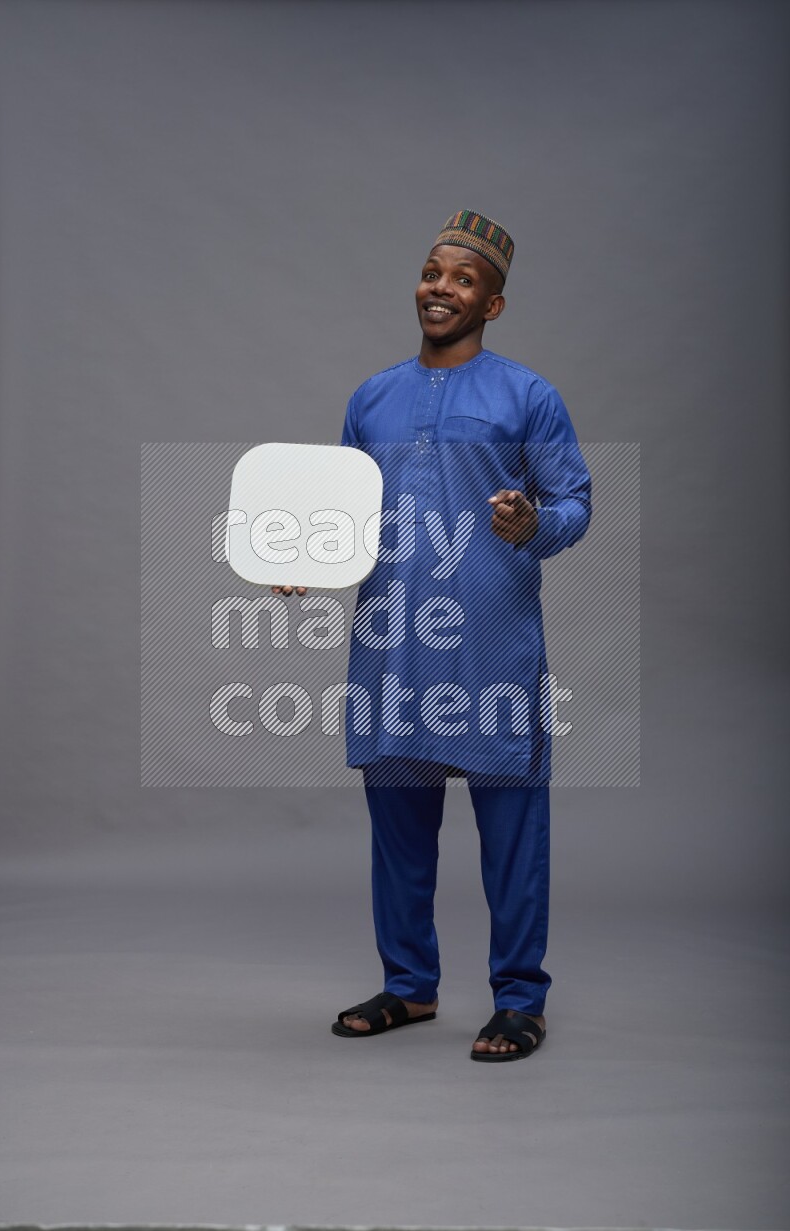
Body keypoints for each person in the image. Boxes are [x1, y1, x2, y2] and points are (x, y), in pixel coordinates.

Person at [279, 210, 592, 1061]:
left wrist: (533, 522)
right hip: (394, 645)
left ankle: (519, 998)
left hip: (491, 645)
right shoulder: (372, 397)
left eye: (461, 278)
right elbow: (338, 517)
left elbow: (576, 505)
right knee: (399, 831)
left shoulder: (528, 396)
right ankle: (410, 986)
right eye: (430, 271)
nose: (439, 287)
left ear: (492, 303)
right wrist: (301, 556)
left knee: (512, 830)